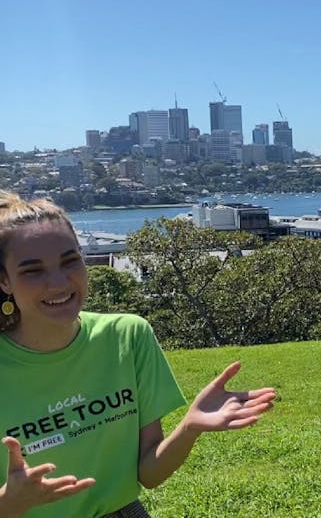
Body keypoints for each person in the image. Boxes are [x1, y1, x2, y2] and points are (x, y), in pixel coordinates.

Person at [0, 192, 276, 517]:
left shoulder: (128, 336)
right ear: (5, 280)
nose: (59, 282)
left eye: (69, 260)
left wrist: (190, 427)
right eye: (33, 270)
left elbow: (149, 474)